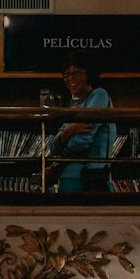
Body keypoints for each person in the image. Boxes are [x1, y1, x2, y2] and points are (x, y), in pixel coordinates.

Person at [53, 57, 115, 193]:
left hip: (91, 177)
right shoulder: (76, 107)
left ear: (89, 74)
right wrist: (70, 131)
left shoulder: (99, 95)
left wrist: (59, 161)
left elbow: (82, 141)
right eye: (66, 74)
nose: (70, 78)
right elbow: (53, 147)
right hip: (74, 180)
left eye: (76, 73)